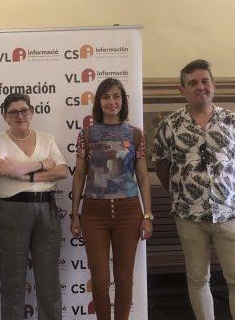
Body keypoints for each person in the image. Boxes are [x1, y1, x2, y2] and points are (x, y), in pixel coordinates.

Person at [152, 59, 235, 320]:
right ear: (182, 90)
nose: (200, 87)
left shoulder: (233, 121)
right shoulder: (170, 125)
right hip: (188, 217)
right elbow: (161, 166)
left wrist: (228, 191)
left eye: (205, 81)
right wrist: (182, 194)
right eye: (193, 83)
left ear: (213, 85)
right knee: (198, 280)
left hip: (229, 216)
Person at [69, 77, 153, 320]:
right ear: (98, 101)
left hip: (128, 210)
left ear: (123, 100)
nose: (111, 101)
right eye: (106, 96)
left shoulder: (135, 135)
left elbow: (143, 178)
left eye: (116, 96)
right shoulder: (86, 134)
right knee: (100, 278)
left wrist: (147, 215)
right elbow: (79, 177)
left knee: (125, 278)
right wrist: (75, 214)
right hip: (94, 212)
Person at [0, 93, 68, 320]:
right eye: (13, 112)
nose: (19, 115)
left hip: (46, 210)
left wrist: (27, 176)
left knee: (49, 280)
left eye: (24, 110)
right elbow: (2, 168)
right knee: (13, 280)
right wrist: (42, 165)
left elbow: (62, 171)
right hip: (13, 210)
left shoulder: (47, 138)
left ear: (32, 113)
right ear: (5, 116)